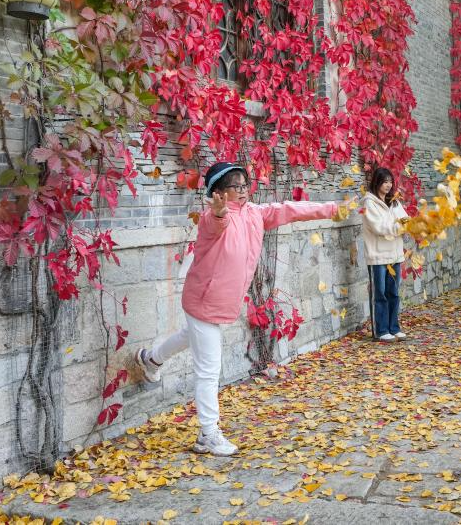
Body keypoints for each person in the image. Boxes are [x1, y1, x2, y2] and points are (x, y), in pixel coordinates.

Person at [134, 162, 349, 455]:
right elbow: (215, 222)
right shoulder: (212, 219)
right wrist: (220, 211)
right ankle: (206, 435)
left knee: (190, 335)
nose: (242, 190)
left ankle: (151, 359)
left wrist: (331, 209)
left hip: (219, 302)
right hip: (203, 300)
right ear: (219, 192)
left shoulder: (255, 214)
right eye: (234, 186)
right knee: (209, 369)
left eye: (244, 184)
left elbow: (289, 210)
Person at [361, 167, 409, 342]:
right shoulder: (369, 203)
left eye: (390, 181)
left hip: (395, 254)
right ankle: (381, 331)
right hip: (378, 256)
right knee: (380, 293)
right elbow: (379, 227)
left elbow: (405, 219)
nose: (388, 185)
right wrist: (400, 227)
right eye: (385, 181)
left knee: (393, 293)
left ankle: (394, 328)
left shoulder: (394, 202)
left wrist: (410, 224)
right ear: (377, 181)